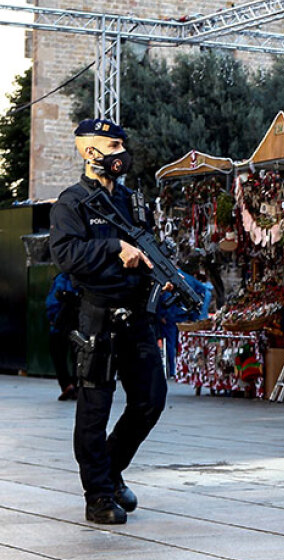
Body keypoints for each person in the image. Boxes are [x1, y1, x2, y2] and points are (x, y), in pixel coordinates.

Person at [49, 118, 166, 525]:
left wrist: (162, 275)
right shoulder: (72, 203)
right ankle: (98, 494)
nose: (122, 153)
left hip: (136, 315)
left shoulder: (132, 200)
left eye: (122, 145)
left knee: (151, 399)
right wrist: (114, 246)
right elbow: (66, 256)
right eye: (113, 145)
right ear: (89, 151)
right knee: (94, 409)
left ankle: (111, 471)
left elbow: (149, 243)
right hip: (96, 315)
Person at [45, 271, 80, 401]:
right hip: (79, 321)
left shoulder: (62, 277)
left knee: (58, 353)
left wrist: (52, 317)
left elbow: (52, 300)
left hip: (61, 321)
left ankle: (67, 385)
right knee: (78, 355)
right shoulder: (85, 276)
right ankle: (76, 386)